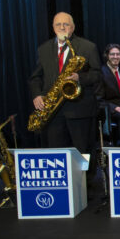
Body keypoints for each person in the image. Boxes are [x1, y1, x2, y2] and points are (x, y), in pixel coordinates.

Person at [28, 12, 102, 153]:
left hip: (79, 110)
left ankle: (86, 176)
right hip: (53, 112)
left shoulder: (88, 47)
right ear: (53, 27)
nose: (62, 27)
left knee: (83, 153)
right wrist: (37, 95)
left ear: (73, 27)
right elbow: (35, 77)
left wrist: (79, 78)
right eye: (58, 24)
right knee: (57, 155)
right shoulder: (43, 49)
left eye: (66, 24)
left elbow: (97, 74)